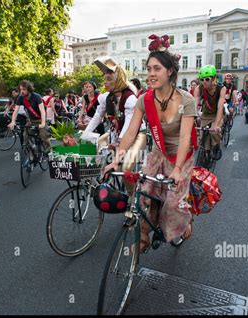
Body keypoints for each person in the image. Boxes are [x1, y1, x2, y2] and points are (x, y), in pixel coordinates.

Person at [104, 35, 195, 252]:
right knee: (142, 196)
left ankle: (186, 220)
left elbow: (185, 138)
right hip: (157, 154)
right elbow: (130, 133)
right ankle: (143, 236)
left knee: (172, 203)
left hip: (180, 156)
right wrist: (115, 161)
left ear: (169, 71)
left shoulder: (186, 101)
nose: (151, 74)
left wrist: (178, 169)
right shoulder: (144, 100)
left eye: (157, 69)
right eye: (149, 68)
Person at [85, 56, 145, 173]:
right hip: (116, 133)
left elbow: (129, 125)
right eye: (105, 79)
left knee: (126, 168)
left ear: (118, 79)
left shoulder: (130, 99)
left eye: (109, 79)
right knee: (97, 147)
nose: (105, 82)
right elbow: (97, 116)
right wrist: (85, 134)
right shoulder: (105, 97)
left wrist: (118, 142)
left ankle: (131, 192)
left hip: (136, 134)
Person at [7, 80, 50, 152]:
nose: (22, 91)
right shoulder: (20, 98)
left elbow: (42, 111)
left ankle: (50, 151)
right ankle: (31, 151)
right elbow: (15, 111)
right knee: (25, 137)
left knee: (44, 137)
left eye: (24, 89)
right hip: (30, 120)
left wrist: (43, 123)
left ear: (29, 89)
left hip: (40, 120)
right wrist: (13, 121)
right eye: (20, 89)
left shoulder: (36, 96)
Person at [194, 65, 225, 158]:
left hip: (217, 115)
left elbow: (220, 107)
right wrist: (193, 117)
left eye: (207, 79)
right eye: (202, 79)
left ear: (214, 78)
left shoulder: (221, 89)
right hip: (205, 115)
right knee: (203, 137)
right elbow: (195, 104)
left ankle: (217, 146)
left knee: (213, 132)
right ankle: (206, 154)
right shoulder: (198, 88)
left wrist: (217, 124)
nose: (204, 82)